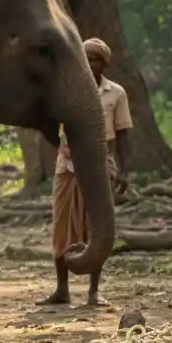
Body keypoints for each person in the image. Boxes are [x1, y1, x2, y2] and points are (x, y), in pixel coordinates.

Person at [42, 37, 132, 307]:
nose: (89, 63)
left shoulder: (115, 93)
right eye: (86, 57)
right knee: (62, 225)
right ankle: (62, 289)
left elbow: (124, 133)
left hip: (100, 162)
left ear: (104, 63)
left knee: (97, 225)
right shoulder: (66, 88)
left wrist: (124, 170)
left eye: (95, 59)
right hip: (67, 164)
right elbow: (48, 122)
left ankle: (94, 291)